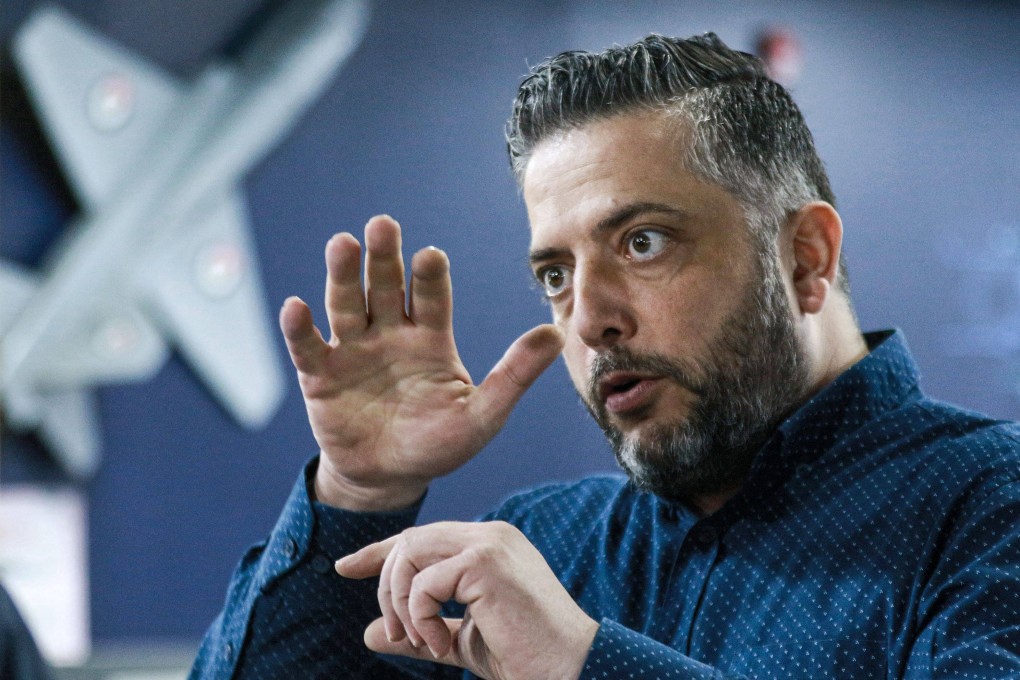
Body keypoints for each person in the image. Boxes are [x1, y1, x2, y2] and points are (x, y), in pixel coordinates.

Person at [189, 33, 1020, 679]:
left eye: (644, 242)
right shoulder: (541, 544)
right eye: (556, 272)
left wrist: (583, 663)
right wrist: (360, 494)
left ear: (804, 256)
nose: (588, 319)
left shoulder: (989, 508)